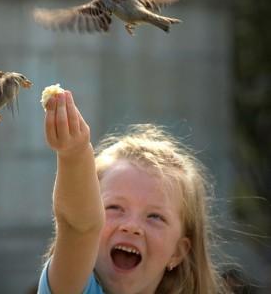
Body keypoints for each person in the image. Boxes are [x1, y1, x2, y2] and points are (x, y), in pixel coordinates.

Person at [38, 90, 228, 294]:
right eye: (114, 207)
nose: (131, 227)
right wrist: (74, 153)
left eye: (155, 217)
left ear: (178, 252)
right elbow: (79, 226)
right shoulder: (70, 287)